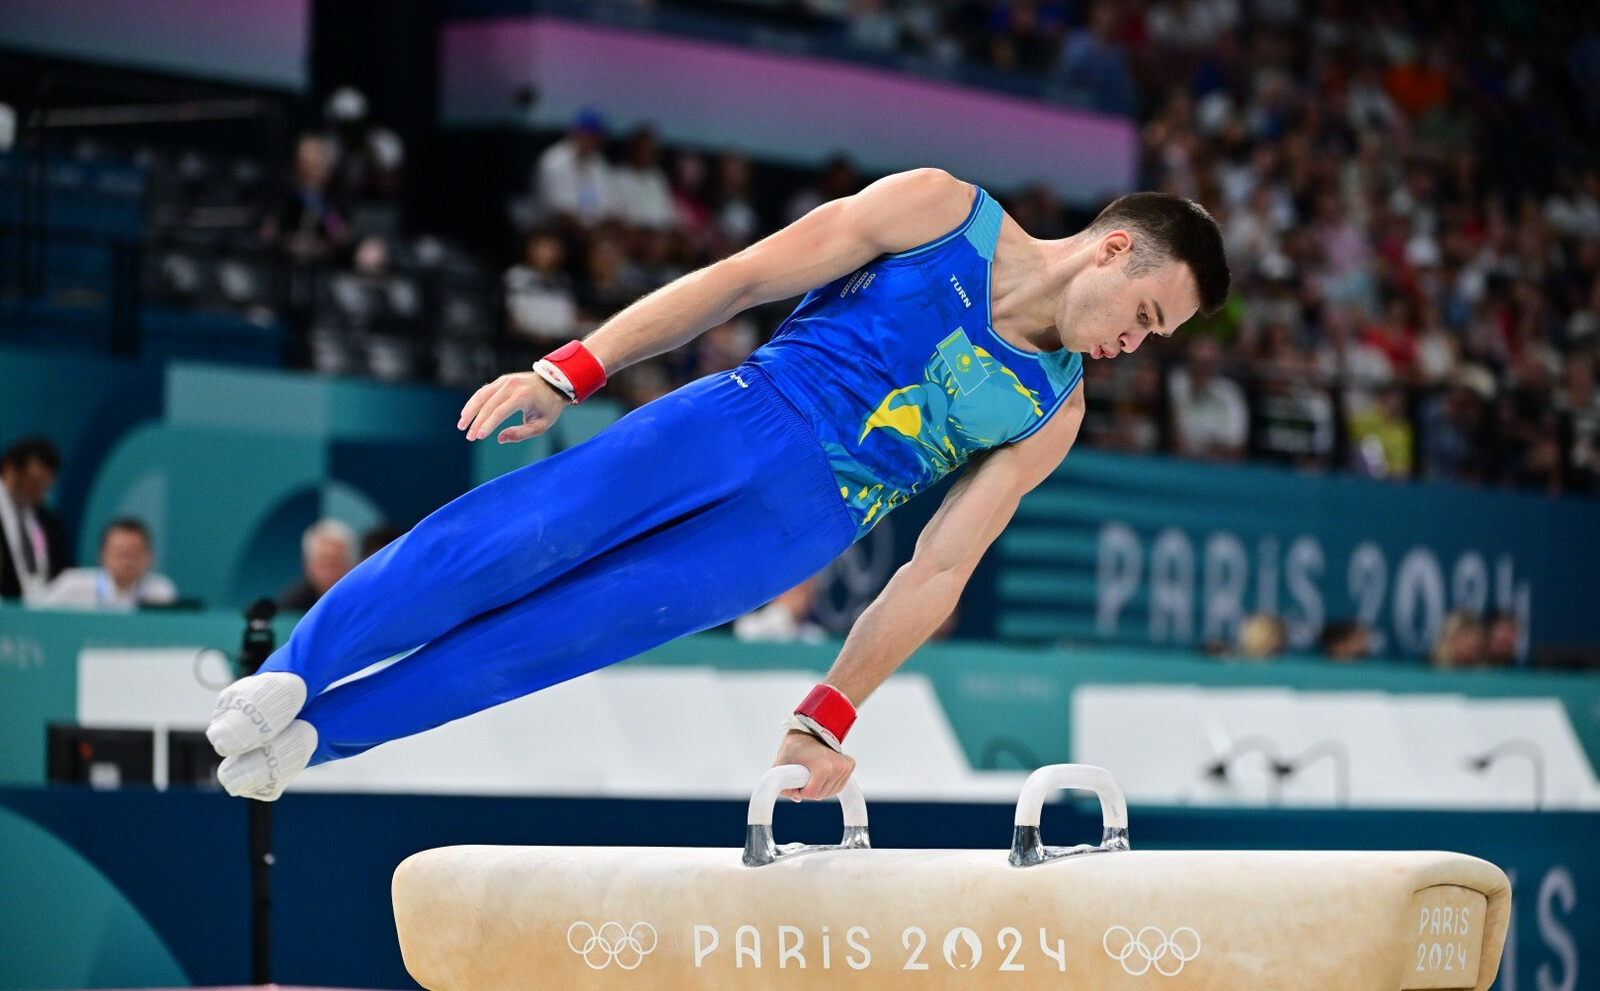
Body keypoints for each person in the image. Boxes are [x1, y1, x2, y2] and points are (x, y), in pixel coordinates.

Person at [205, 169, 1230, 801]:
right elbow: (739, 277)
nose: (1134, 345)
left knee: (556, 639)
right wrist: (571, 369)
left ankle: (322, 735)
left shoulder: (1052, 410)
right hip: (738, 416)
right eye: (1145, 314)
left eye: (1155, 338)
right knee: (518, 537)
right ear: (1111, 249)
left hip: (798, 530)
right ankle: (302, 665)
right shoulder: (942, 211)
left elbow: (937, 569)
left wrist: (826, 715)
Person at [37, 518, 177, 611]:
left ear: (149, 557)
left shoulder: (161, 592)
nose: (126, 561)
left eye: (134, 553)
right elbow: (38, 617)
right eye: (119, 553)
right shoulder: (71, 585)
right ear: (102, 555)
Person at [0, 437, 71, 603]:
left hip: (43, 613)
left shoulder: (49, 522)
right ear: (10, 469)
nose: (39, 492)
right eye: (33, 482)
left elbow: (63, 574)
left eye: (45, 485)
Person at [277, 519, 356, 612]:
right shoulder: (292, 604)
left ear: (350, 564)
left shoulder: (360, 598)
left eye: (335, 563)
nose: (329, 573)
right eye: (323, 564)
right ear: (308, 565)